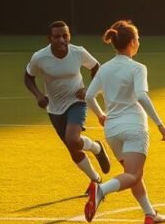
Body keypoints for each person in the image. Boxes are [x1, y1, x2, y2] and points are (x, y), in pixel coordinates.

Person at [83, 20, 165, 224]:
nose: (139, 42)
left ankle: (150, 213)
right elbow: (141, 96)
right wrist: (159, 123)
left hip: (112, 131)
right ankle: (101, 191)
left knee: (133, 175)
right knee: (133, 174)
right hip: (133, 128)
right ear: (132, 42)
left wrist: (100, 114)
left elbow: (89, 96)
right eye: (138, 39)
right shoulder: (138, 68)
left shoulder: (104, 68)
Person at [24, 20, 110, 191]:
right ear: (49, 38)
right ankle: (96, 179)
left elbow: (96, 68)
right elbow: (28, 77)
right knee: (73, 148)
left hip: (76, 101)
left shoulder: (78, 52)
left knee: (72, 139)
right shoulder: (40, 57)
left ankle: (96, 148)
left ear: (69, 36)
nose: (62, 40)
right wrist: (38, 95)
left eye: (65, 36)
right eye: (57, 37)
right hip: (54, 107)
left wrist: (89, 90)